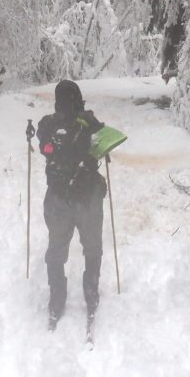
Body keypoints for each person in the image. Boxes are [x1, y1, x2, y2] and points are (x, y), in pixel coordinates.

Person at [37, 80, 108, 330]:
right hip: (87, 196)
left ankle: (57, 296)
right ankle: (90, 290)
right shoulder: (89, 122)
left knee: (56, 249)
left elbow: (41, 144)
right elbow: (104, 142)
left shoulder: (47, 125)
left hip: (57, 198)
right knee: (92, 246)